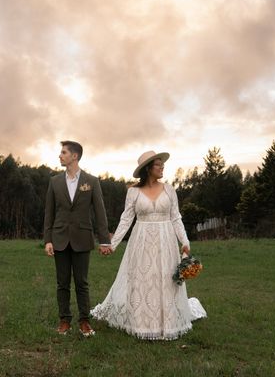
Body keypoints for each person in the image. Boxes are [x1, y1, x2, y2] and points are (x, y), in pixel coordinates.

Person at [91, 150, 206, 340]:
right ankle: (141, 322)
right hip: (141, 240)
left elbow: (176, 217)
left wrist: (185, 241)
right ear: (148, 169)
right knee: (142, 278)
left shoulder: (169, 190)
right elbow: (126, 219)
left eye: (162, 164)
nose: (162, 167)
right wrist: (112, 244)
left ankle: (167, 322)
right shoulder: (133, 192)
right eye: (158, 165)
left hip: (166, 240)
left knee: (165, 278)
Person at [44, 140, 112, 337]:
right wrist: (48, 239)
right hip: (59, 238)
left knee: (82, 283)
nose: (60, 155)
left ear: (74, 156)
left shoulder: (91, 181)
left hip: (82, 238)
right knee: (62, 282)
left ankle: (84, 322)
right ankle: (64, 321)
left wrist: (104, 240)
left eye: (63, 152)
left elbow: (100, 213)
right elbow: (49, 213)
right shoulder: (54, 182)